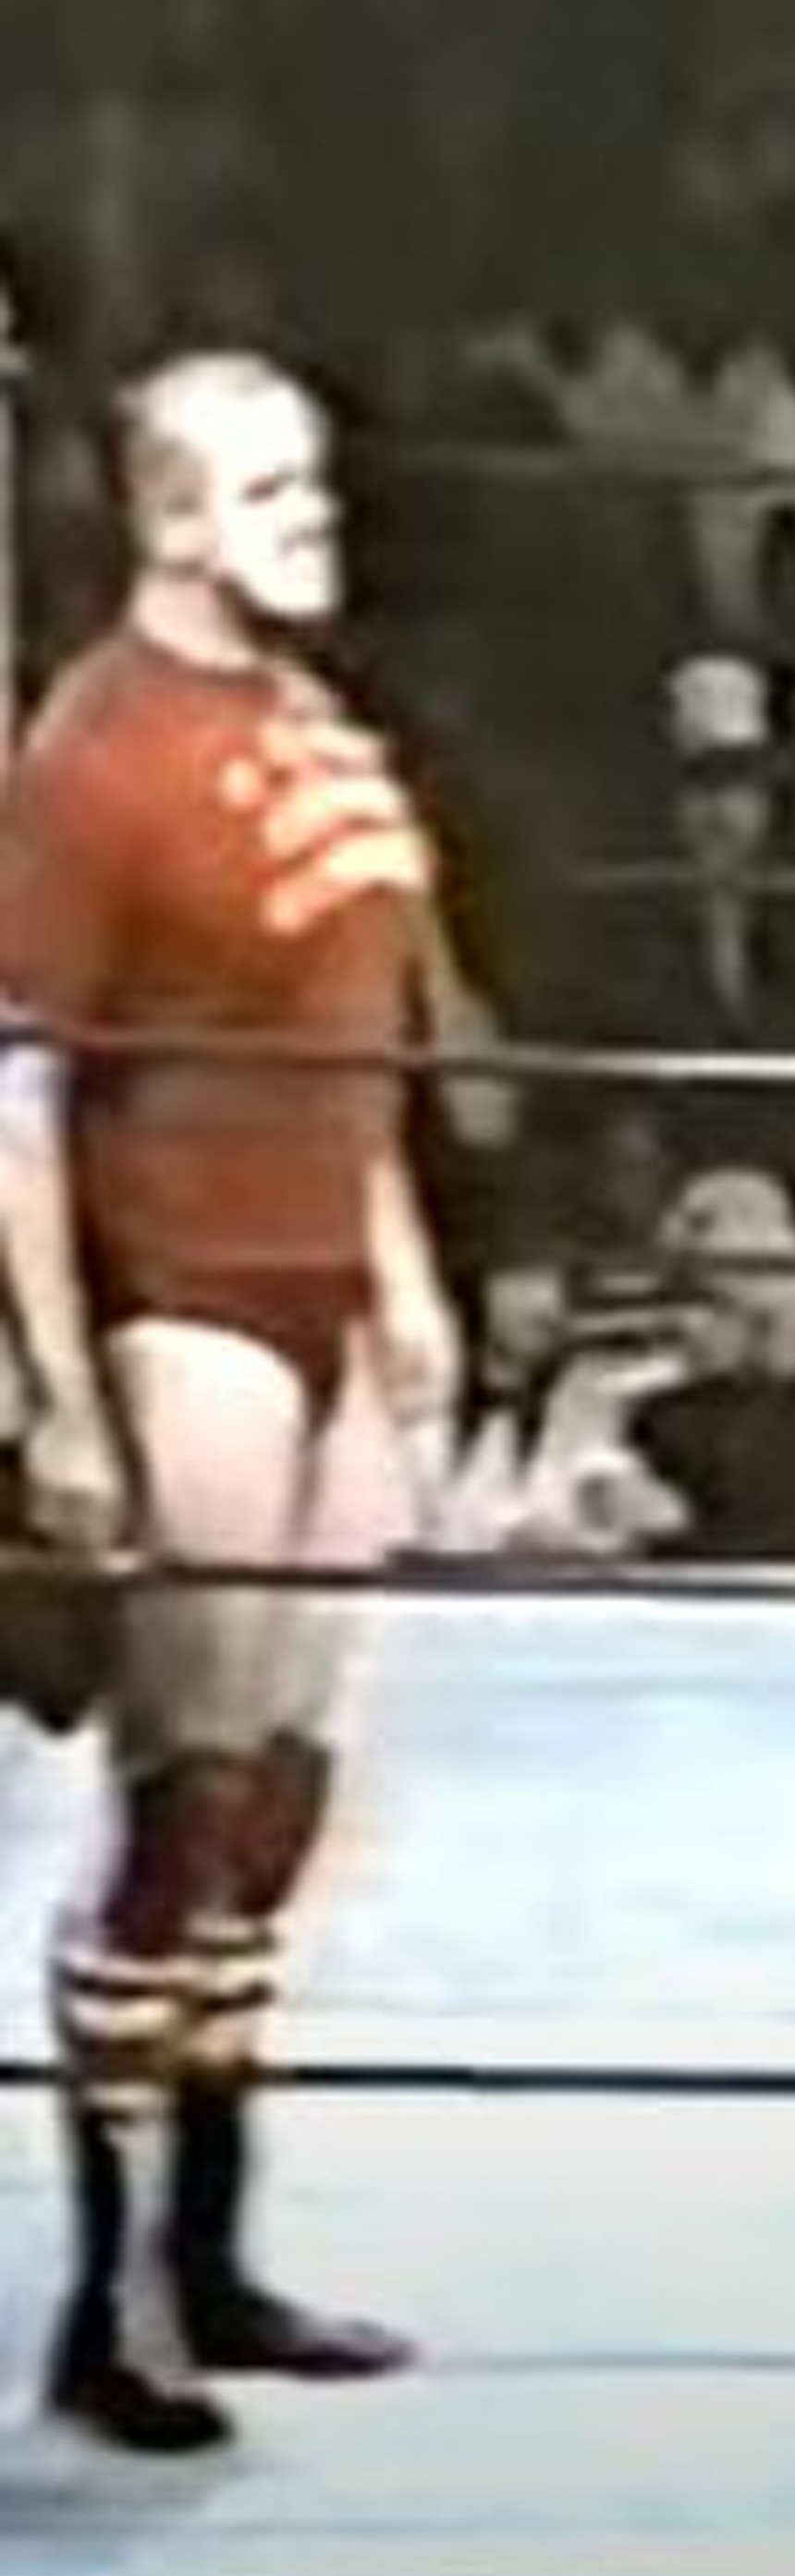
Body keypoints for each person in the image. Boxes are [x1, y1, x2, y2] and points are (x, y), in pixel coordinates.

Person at [0, 351, 459, 2451]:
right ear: (170, 518)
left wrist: (402, 1275)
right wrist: (59, 1393)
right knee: (180, 1799)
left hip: (323, 1272)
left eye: (317, 481)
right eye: (271, 492)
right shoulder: (94, 751)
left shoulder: (309, 718)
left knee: (279, 1797)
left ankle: (213, 2251)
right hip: (181, 1288)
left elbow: (360, 1042)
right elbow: (15, 1094)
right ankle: (107, 2309)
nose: (316, 518)